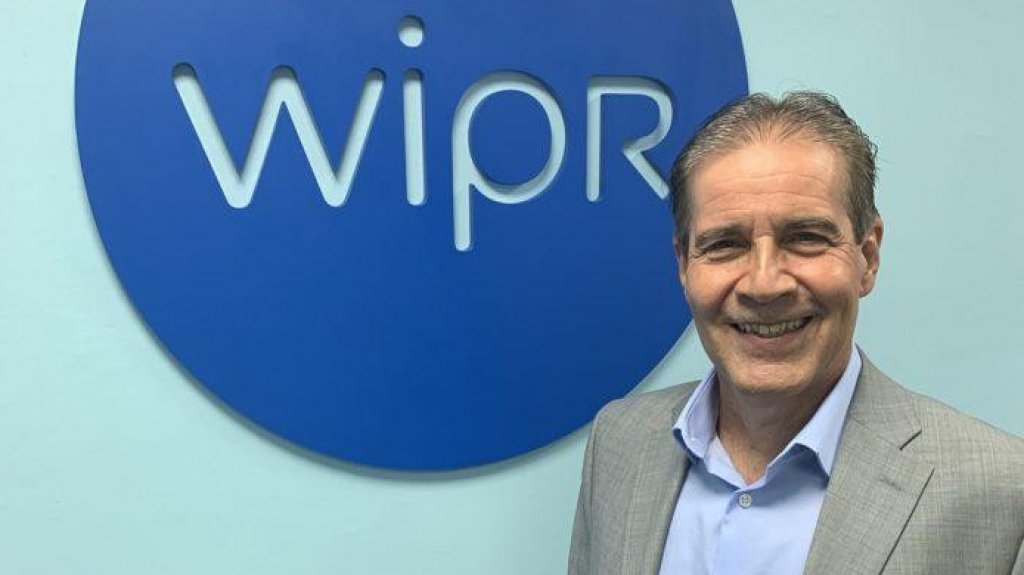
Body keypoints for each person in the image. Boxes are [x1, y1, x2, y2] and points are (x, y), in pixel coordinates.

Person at [568, 92, 1024, 575]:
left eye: (806, 238)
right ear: (684, 265)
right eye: (725, 244)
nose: (764, 284)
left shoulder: (1001, 492)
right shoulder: (619, 442)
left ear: (867, 257)